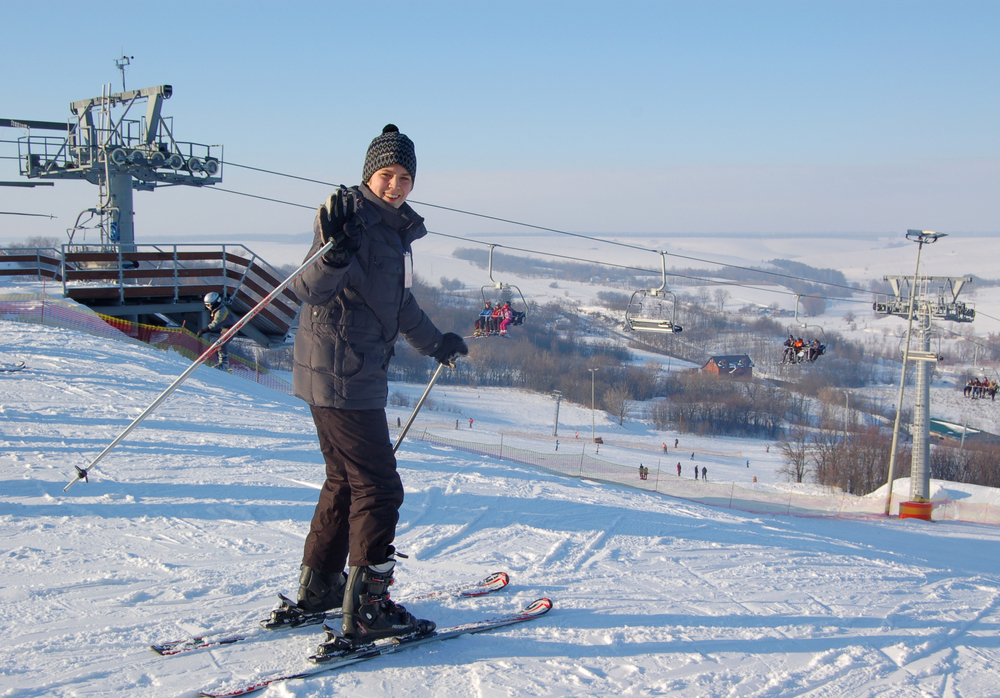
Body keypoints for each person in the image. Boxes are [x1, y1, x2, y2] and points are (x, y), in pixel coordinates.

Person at [290, 125, 468, 645]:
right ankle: (369, 608)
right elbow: (308, 286)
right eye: (387, 174)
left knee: (345, 480)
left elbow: (398, 304)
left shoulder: (392, 229)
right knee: (380, 486)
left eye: (405, 177)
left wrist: (437, 344)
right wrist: (336, 253)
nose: (395, 185)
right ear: (370, 173)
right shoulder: (348, 216)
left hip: (340, 369)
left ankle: (322, 585)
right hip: (343, 373)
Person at [196, 292, 230, 370]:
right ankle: (220, 363)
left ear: (214, 303)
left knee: (221, 344)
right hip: (225, 328)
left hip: (231, 328)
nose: (208, 307)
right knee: (218, 345)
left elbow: (216, 323)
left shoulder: (221, 312)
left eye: (208, 305)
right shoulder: (218, 308)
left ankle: (224, 365)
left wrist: (205, 330)